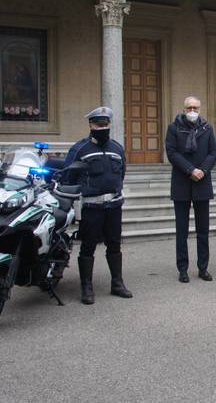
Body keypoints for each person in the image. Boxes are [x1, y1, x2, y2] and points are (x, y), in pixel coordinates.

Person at [64, 107, 132, 305]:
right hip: (91, 207)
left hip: (113, 205)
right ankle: (86, 287)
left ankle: (117, 283)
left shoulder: (117, 148)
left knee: (114, 244)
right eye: (98, 124)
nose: (102, 128)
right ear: (90, 125)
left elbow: (121, 173)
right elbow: (69, 177)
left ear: (110, 125)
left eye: (105, 124)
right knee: (88, 246)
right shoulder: (80, 149)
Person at [165, 96, 216, 283]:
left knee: (203, 230)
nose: (192, 111)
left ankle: (203, 268)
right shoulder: (174, 128)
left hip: (202, 184)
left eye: (195, 107)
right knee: (182, 231)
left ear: (200, 109)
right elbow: (172, 153)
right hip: (181, 184)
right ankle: (183, 269)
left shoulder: (207, 128)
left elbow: (214, 151)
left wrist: (202, 170)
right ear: (184, 108)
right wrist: (190, 170)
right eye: (189, 107)